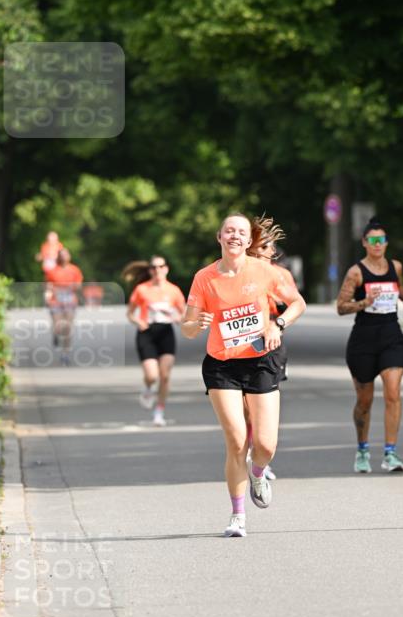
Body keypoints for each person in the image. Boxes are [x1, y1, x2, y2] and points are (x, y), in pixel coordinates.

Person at [181, 213, 306, 537]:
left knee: (265, 444)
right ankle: (238, 516)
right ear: (219, 237)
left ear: (249, 241)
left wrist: (277, 324)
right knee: (236, 439)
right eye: (228, 231)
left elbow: (297, 303)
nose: (234, 236)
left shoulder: (265, 271)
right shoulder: (204, 278)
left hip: (260, 360)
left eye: (241, 232)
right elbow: (188, 328)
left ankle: (258, 471)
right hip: (222, 364)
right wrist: (198, 324)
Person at [336, 217, 403, 473]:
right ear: (364, 243)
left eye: (381, 240)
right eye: (373, 240)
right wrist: (364, 303)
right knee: (365, 401)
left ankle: (390, 453)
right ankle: (362, 450)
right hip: (363, 341)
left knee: (393, 393)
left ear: (386, 242)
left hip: (392, 336)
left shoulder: (396, 266)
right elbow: (341, 307)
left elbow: (400, 290)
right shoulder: (356, 272)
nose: (377, 244)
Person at [245, 215, 298, 480]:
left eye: (272, 247)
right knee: (245, 406)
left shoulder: (281, 274)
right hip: (240, 345)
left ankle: (261, 455)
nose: (271, 252)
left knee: (263, 404)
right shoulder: (237, 272)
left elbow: (294, 304)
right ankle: (249, 449)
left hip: (271, 343)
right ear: (252, 246)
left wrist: (278, 320)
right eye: (265, 246)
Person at [123, 256, 186, 427]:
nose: (157, 270)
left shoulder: (174, 290)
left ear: (166, 269)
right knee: (152, 376)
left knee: (165, 376)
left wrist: (178, 318)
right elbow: (130, 313)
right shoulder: (142, 289)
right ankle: (148, 388)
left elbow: (184, 315)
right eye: (154, 267)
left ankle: (159, 412)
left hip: (166, 333)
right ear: (150, 270)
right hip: (146, 333)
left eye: (161, 266)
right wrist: (138, 321)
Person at [45, 248, 83, 364]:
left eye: (66, 254)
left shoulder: (75, 270)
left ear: (69, 256)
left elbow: (79, 285)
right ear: (58, 257)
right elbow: (48, 285)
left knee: (68, 327)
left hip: (70, 300)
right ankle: (56, 335)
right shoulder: (52, 271)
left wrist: (72, 287)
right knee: (58, 326)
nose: (64, 257)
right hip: (56, 300)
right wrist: (49, 294)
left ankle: (65, 353)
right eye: (62, 255)